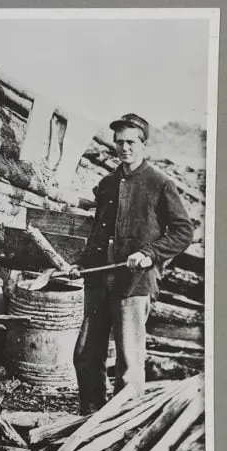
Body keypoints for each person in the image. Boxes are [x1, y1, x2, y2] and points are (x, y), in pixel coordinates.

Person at [71, 113, 193, 414]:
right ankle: (89, 419)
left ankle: (122, 425)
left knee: (129, 364)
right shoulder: (107, 184)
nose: (125, 148)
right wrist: (81, 263)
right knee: (86, 355)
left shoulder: (159, 184)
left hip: (134, 284)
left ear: (144, 145)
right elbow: (99, 232)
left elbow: (183, 231)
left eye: (131, 142)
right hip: (99, 283)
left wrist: (150, 253)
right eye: (120, 142)